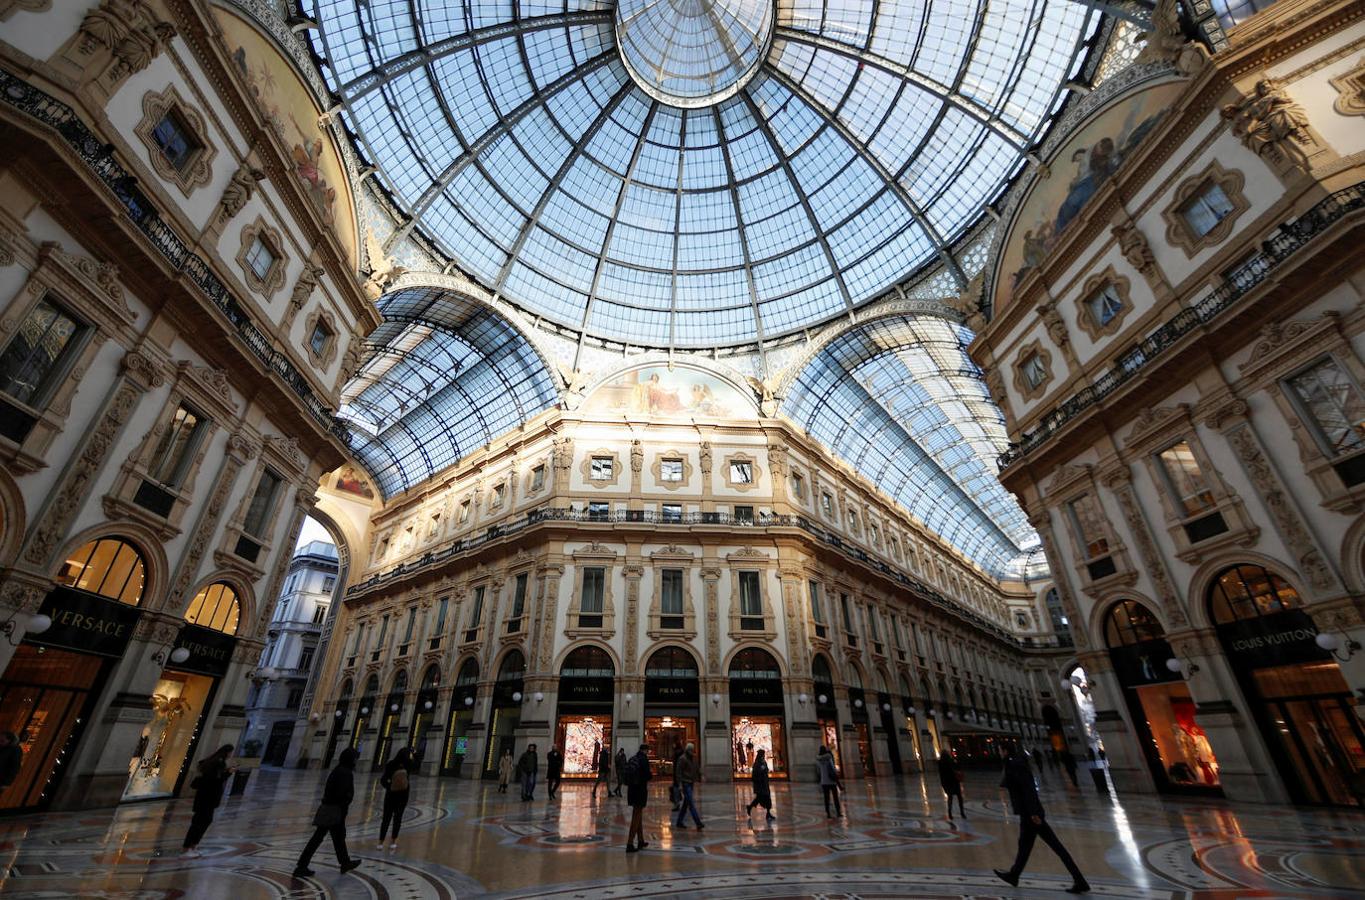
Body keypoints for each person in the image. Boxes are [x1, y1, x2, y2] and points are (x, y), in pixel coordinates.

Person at [994, 743, 1089, 894]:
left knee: (1056, 847)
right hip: (1028, 813)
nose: (999, 752)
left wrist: (1033, 812)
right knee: (1024, 846)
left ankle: (1080, 880)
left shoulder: (1016, 764)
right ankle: (1014, 875)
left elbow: (1027, 788)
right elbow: (1009, 783)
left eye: (1000, 750)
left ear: (1005, 751)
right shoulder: (1013, 763)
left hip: (1031, 814)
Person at [293, 747, 362, 878]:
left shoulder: (339, 770)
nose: (356, 761)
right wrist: (344, 805)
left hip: (329, 809)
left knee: (336, 838)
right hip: (334, 811)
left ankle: (344, 862)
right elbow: (341, 794)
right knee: (321, 838)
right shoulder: (345, 773)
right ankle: (301, 866)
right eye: (355, 758)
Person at [182, 744, 234, 857]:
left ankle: (191, 847)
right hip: (208, 798)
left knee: (199, 822)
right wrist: (228, 773)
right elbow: (216, 781)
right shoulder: (218, 763)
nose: (231, 755)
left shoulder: (210, 761)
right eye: (230, 753)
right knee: (202, 822)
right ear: (227, 752)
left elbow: (212, 777)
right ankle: (189, 848)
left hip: (203, 798)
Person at [378, 746, 412, 849]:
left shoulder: (391, 764)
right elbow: (417, 763)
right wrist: (414, 753)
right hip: (403, 796)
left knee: (386, 819)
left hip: (390, 795)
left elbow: (383, 780)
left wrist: (390, 787)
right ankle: (393, 841)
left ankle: (380, 842)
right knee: (398, 819)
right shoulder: (408, 765)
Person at [625, 743, 652, 852]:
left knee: (638, 814)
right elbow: (647, 775)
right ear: (646, 750)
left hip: (632, 789)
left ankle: (640, 840)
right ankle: (630, 843)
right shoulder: (643, 759)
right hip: (640, 790)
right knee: (636, 816)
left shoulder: (633, 758)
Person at [673, 742, 703, 829]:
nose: (692, 752)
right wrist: (679, 784)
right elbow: (678, 772)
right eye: (691, 750)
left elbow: (696, 768)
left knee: (686, 804)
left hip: (691, 782)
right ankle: (698, 823)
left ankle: (679, 821)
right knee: (691, 804)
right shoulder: (682, 759)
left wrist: (699, 774)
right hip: (685, 783)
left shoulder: (693, 758)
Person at [745, 747, 774, 820]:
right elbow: (755, 775)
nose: (763, 756)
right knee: (760, 798)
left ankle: (768, 813)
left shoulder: (763, 762)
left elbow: (766, 770)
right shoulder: (757, 763)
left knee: (765, 798)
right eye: (763, 754)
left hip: (764, 784)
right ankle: (750, 807)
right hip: (760, 785)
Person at [938, 750, 966, 820]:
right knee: (959, 797)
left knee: (950, 798)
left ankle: (950, 813)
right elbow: (955, 769)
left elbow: (941, 775)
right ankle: (962, 812)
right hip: (954, 782)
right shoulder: (950, 761)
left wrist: (943, 784)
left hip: (947, 783)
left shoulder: (940, 763)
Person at [816, 744, 842, 818]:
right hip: (831, 781)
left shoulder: (818, 760)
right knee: (835, 797)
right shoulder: (828, 758)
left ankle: (828, 813)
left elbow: (818, 771)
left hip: (824, 781)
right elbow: (832, 769)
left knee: (826, 798)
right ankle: (838, 812)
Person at [670, 741, 685, 811]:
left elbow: (678, 766)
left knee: (677, 790)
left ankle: (677, 804)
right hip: (681, 775)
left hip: (678, 775)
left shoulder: (677, 754)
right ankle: (685, 804)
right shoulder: (683, 753)